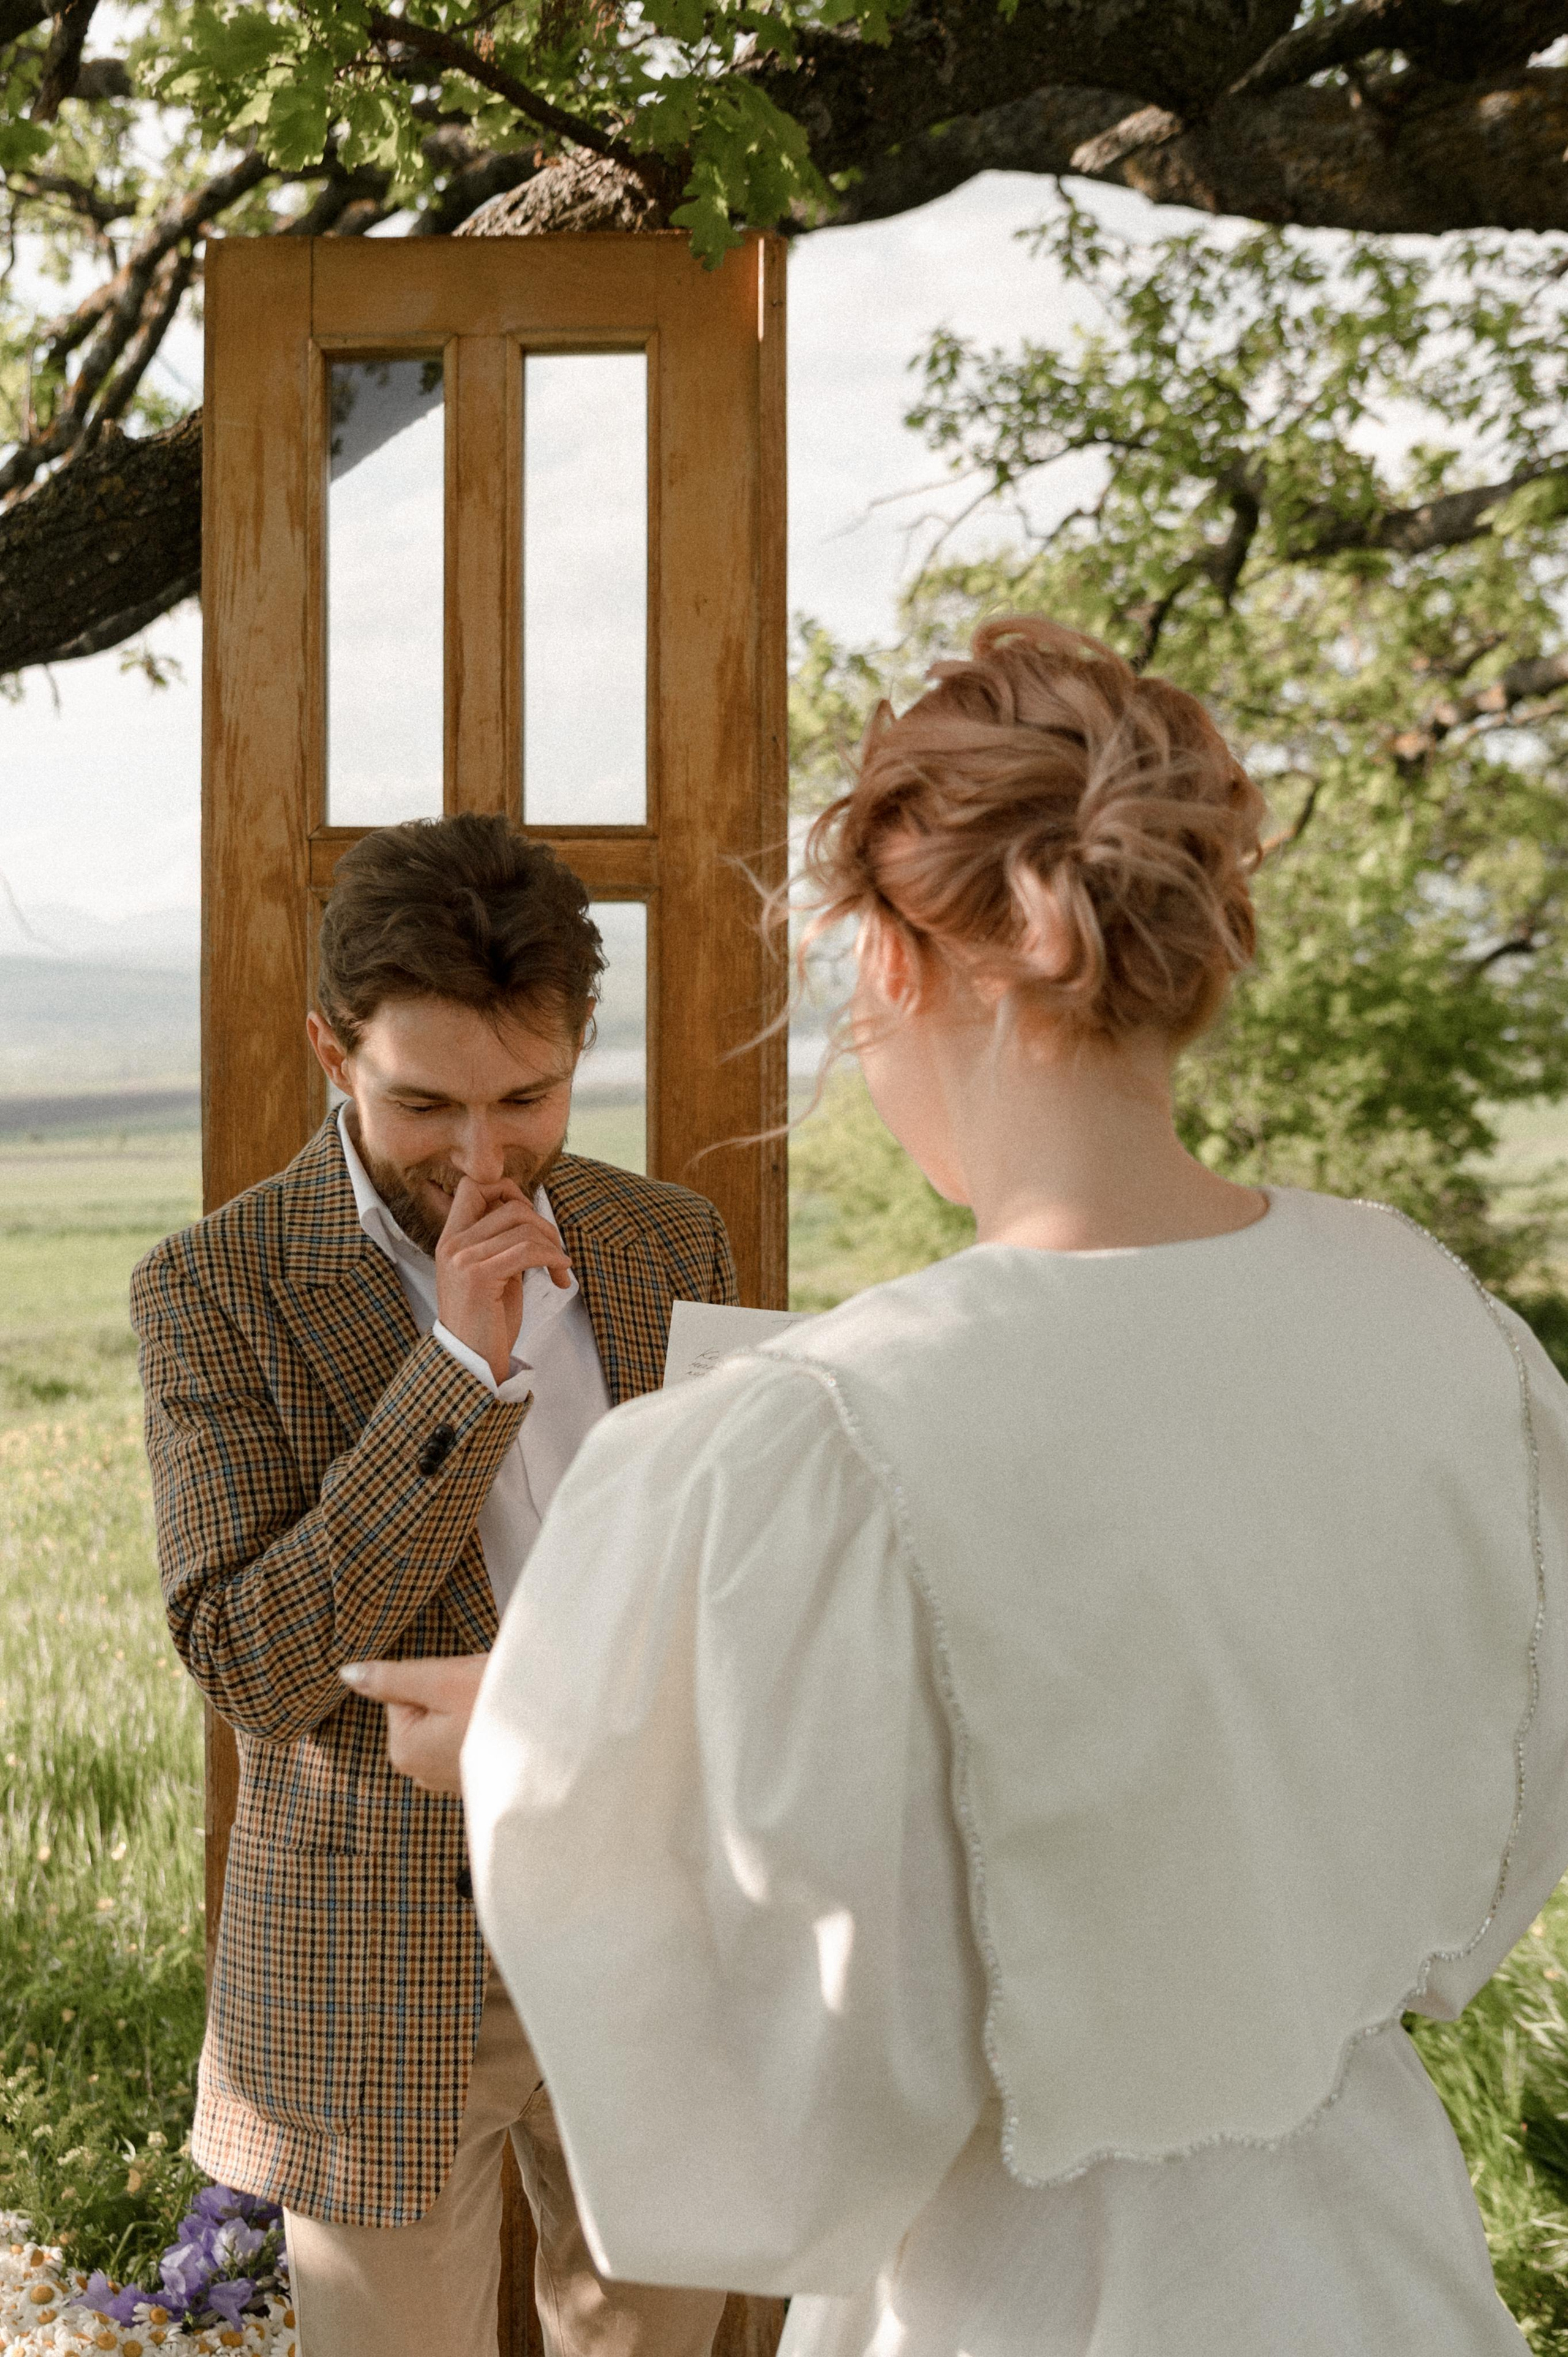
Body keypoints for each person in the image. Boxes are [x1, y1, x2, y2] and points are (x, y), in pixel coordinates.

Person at [350, 621, 1568, 2355]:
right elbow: (1476, 1826)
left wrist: (540, 1751)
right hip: (1381, 2258)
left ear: (902, 969)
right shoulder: (1438, 1326)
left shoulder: (832, 1431)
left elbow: (790, 2121)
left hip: (1029, 2297)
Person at [132, 814, 736, 2357]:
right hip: (376, 1965)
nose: (482, 1156)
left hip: (656, 1924)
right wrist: (457, 1369)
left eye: (526, 1099)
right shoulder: (212, 1285)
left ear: (581, 1041)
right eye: (424, 1105)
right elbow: (249, 1664)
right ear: (334, 1054)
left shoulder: (671, 1242)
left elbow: (730, 1581)